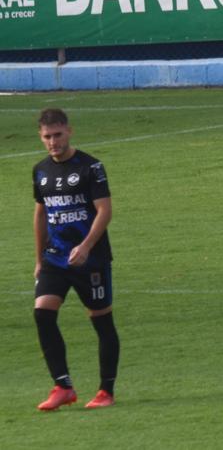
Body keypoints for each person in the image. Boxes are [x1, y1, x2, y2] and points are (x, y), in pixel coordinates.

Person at [32, 108, 120, 410]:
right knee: (43, 313)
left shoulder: (91, 167)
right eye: (47, 137)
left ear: (69, 131)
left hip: (91, 260)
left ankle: (106, 391)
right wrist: (39, 259)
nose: (53, 142)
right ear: (41, 137)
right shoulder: (41, 171)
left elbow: (104, 211)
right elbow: (42, 212)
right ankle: (62, 386)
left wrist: (85, 246)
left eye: (57, 135)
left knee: (102, 321)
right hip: (55, 259)